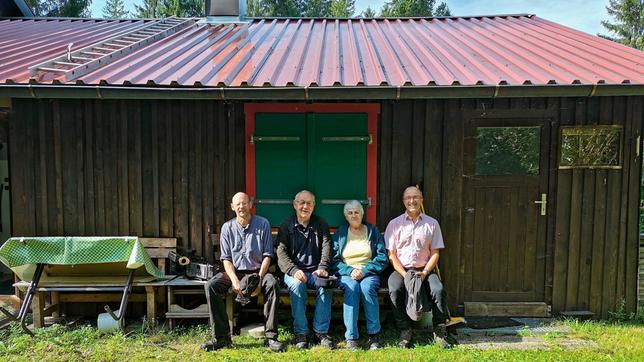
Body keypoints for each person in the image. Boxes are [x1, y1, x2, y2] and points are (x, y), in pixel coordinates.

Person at [201, 192, 284, 352]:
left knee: (272, 284)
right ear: (232, 207)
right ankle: (222, 337)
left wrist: (259, 280)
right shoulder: (227, 227)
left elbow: (268, 255)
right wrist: (234, 281)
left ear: (250, 205)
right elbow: (226, 259)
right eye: (237, 204)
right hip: (236, 272)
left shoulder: (263, 224)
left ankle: (271, 337)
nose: (241, 207)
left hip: (257, 271)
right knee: (211, 285)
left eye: (244, 203)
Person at [384, 186, 454, 348]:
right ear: (403, 201)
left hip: (425, 269)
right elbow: (392, 255)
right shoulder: (394, 224)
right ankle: (405, 329)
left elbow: (435, 253)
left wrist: (424, 273)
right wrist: (405, 274)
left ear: (421, 200)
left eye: (416, 197)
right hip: (401, 270)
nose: (412, 201)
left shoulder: (432, 223)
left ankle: (439, 330)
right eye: (408, 197)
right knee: (394, 289)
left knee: (438, 289)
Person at [276, 190, 334, 349]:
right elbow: (280, 252)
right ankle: (301, 333)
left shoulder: (321, 224)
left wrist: (322, 267)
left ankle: (321, 332)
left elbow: (327, 246)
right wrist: (293, 270)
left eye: (309, 203)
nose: (305, 206)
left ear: (314, 206)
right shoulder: (286, 225)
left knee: (325, 285)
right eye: (301, 202)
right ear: (295, 205)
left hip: (315, 271)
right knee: (297, 285)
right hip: (294, 272)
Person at [332, 200, 389, 351]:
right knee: (351, 288)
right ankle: (351, 337)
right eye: (350, 213)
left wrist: (364, 270)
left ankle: (374, 335)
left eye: (356, 212)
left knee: (367, 287)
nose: (353, 215)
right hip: (347, 273)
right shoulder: (340, 234)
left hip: (368, 272)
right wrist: (350, 271)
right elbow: (334, 260)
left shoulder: (372, 231)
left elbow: (382, 257)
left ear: (362, 214)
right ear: (346, 216)